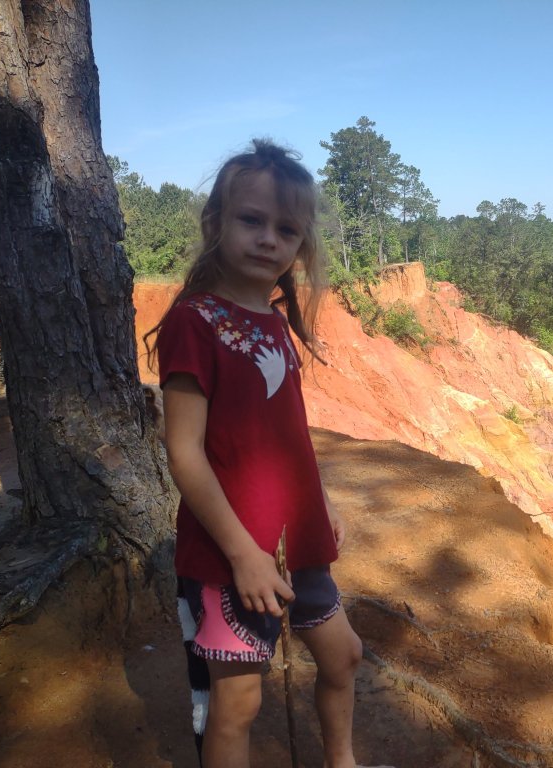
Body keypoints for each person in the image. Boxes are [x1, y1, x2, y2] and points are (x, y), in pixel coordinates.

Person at [146, 140, 385, 768]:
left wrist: (320, 501)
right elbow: (185, 453)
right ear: (216, 222)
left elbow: (290, 432)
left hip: (296, 540)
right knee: (238, 704)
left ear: (301, 245)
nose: (268, 239)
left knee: (344, 655)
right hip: (230, 554)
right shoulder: (195, 323)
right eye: (252, 220)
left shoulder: (274, 322)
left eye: (286, 230)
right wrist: (244, 555)